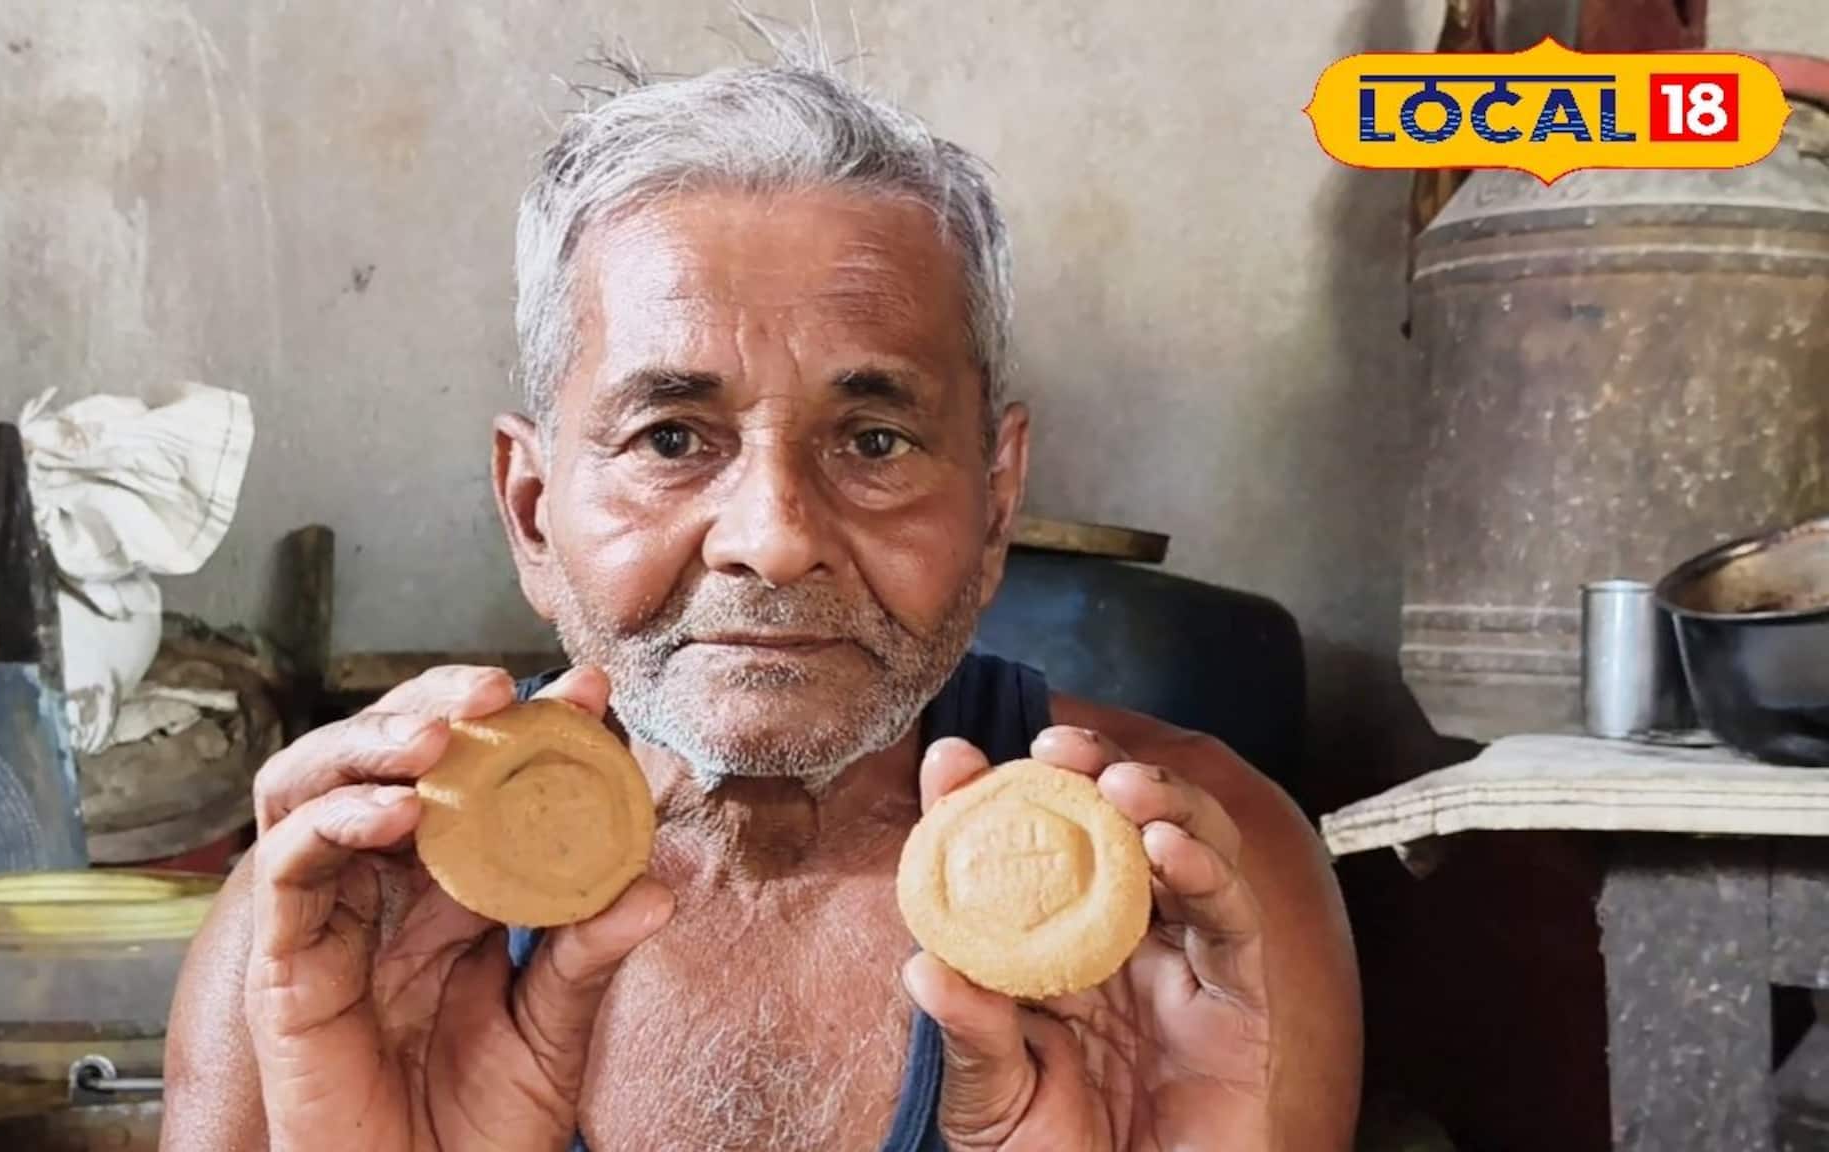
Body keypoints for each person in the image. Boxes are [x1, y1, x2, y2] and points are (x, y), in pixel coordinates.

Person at [162, 49, 1361, 1152]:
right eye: (671, 435)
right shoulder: (328, 938)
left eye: (876, 440)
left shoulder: (1196, 912)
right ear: (531, 508)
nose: (773, 540)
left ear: (994, 503)